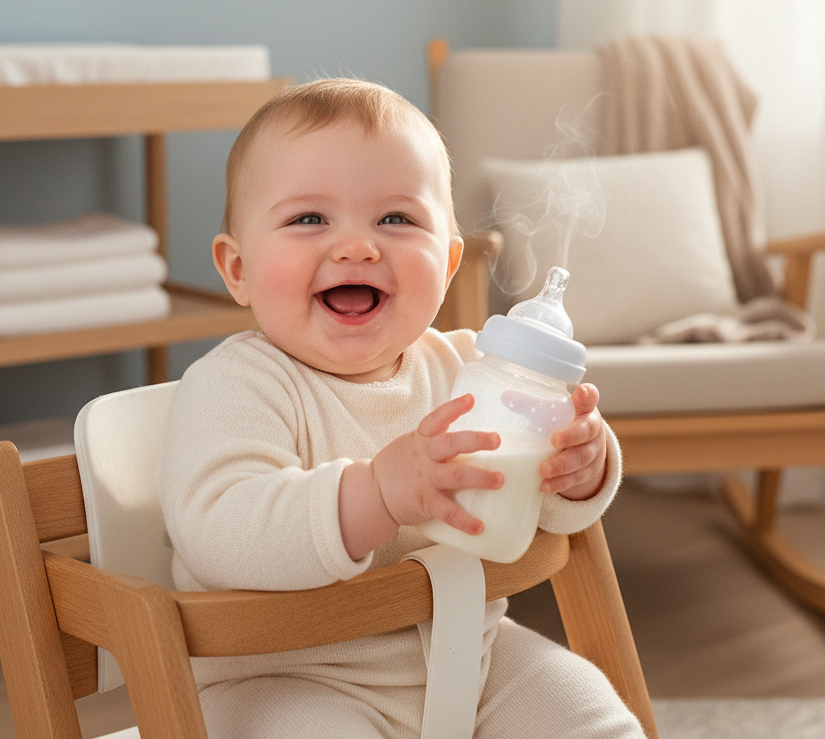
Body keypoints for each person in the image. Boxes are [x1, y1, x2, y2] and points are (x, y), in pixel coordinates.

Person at [157, 78, 644, 738]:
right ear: (237, 268)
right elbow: (221, 531)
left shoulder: (470, 369)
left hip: (470, 658)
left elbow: (526, 505)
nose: (356, 246)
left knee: (587, 712)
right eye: (309, 219)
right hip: (283, 681)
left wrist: (578, 468)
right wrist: (375, 493)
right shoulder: (238, 384)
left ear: (446, 264)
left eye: (396, 219)